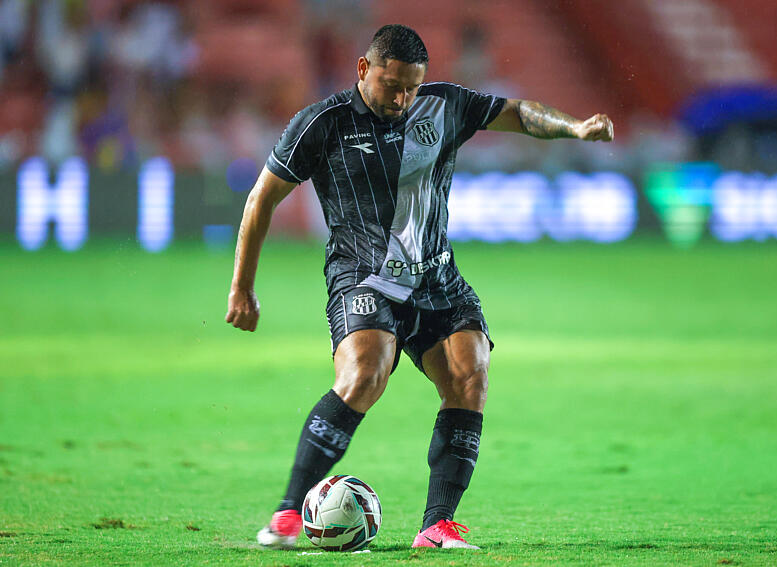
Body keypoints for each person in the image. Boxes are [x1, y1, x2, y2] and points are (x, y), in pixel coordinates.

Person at [225, 24, 613, 550]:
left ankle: (437, 526)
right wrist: (242, 288)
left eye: (412, 87)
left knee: (470, 376)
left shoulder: (443, 106)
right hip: (363, 277)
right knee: (365, 375)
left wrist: (576, 127)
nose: (403, 98)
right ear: (364, 70)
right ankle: (287, 514)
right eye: (392, 85)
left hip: (436, 277)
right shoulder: (321, 123)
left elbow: (518, 113)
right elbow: (261, 199)